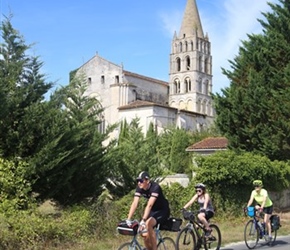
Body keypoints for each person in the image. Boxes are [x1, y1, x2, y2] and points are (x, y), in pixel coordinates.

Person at [126, 171, 170, 250]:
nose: (139, 183)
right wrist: (128, 219)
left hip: (162, 210)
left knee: (148, 224)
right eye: (137, 181)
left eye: (141, 181)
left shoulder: (155, 187)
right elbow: (135, 203)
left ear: (147, 181)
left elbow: (149, 205)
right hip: (153, 210)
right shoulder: (139, 188)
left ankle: (154, 248)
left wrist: (143, 220)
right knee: (144, 233)